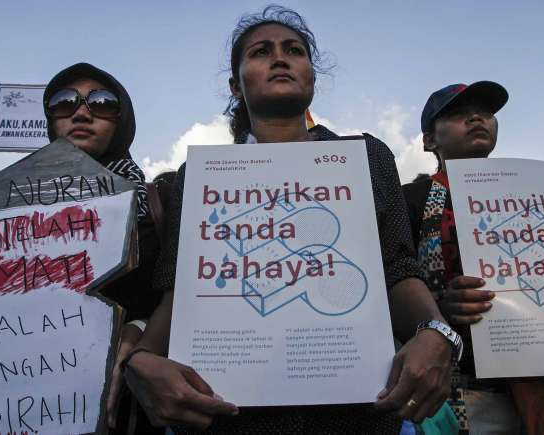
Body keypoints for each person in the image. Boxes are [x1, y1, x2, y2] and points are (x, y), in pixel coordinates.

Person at [122, 6, 461, 433]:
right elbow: (183, 287)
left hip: (359, 414)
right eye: (261, 51)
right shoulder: (201, 177)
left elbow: (397, 268)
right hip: (230, 415)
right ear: (235, 84)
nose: (280, 58)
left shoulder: (367, 158)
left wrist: (435, 332)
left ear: (312, 78)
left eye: (294, 50)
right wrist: (144, 359)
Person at [42, 63, 163, 433]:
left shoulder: (158, 203)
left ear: (121, 119)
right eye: (64, 102)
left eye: (102, 102)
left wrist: (141, 329)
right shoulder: (10, 211)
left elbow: (177, 293)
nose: (81, 112)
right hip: (29, 393)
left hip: (126, 404)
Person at [402, 81, 522, 434]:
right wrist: (439, 307)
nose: (475, 118)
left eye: (485, 112)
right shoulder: (409, 200)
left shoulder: (534, 196)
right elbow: (391, 279)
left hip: (539, 378)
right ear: (429, 140)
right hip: (457, 389)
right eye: (456, 114)